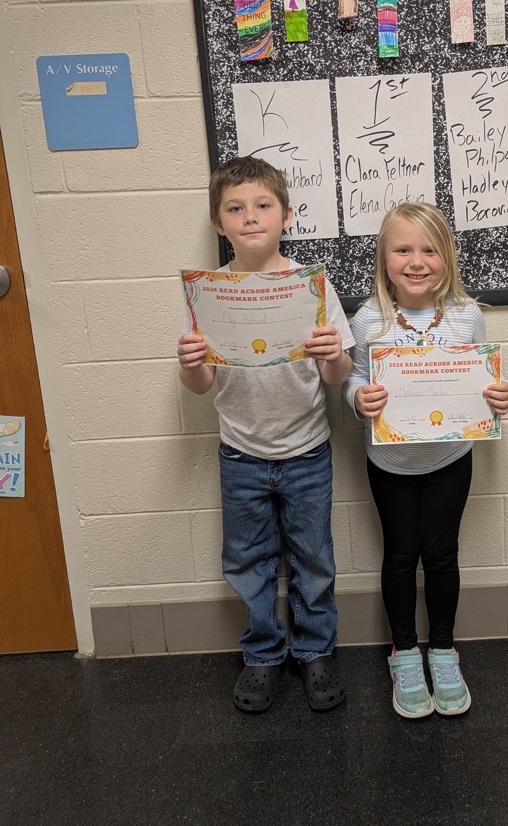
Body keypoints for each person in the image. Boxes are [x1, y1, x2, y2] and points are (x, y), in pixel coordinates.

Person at [177, 156, 353, 714]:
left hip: (307, 452)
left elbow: (337, 376)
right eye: (235, 208)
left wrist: (334, 357)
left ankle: (315, 650)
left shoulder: (312, 289)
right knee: (248, 562)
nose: (249, 217)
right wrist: (189, 363)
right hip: (241, 454)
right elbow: (202, 386)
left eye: (262, 205)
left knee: (313, 558)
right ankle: (262, 655)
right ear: (218, 223)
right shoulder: (208, 295)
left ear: (286, 215)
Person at [344, 202, 508, 719]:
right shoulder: (370, 318)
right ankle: (403, 653)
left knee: (441, 556)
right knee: (400, 556)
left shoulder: (466, 316)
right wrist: (357, 400)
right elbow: (353, 380)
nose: (416, 262)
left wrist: (503, 398)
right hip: (391, 463)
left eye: (429, 250)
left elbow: (485, 383)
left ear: (446, 258)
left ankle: (443, 649)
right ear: (384, 257)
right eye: (403, 250)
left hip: (449, 459)